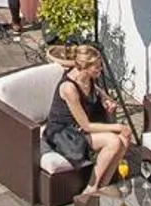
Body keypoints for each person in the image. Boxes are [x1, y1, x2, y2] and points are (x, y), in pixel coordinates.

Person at [45, 45, 134, 193]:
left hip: (80, 129)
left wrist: (105, 97)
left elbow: (96, 90)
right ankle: (91, 187)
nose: (100, 69)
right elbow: (86, 125)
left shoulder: (88, 78)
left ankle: (104, 185)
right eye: (97, 67)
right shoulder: (69, 88)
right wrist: (118, 126)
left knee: (124, 139)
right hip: (64, 133)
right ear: (84, 67)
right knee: (114, 141)